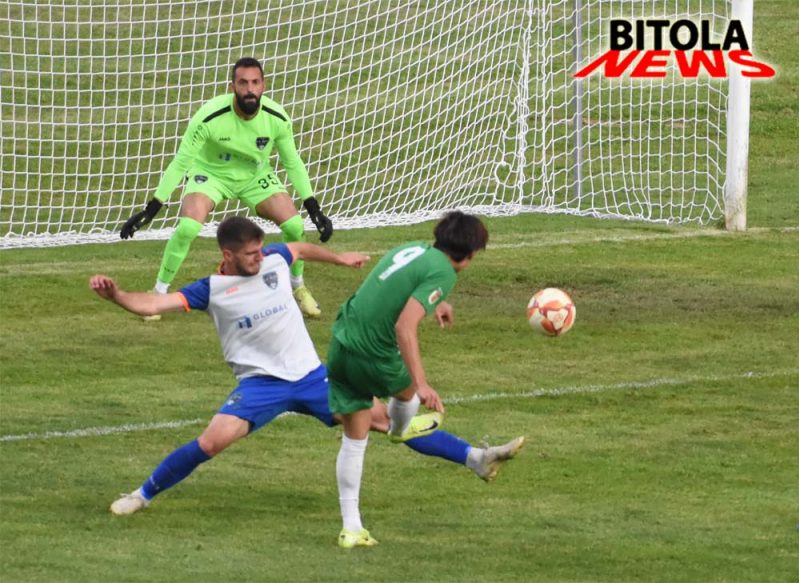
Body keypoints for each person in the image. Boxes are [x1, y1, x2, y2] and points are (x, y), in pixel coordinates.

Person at [91, 217, 523, 518]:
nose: (260, 258)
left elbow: (297, 248)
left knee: (386, 421)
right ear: (228, 255)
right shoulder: (212, 289)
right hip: (261, 385)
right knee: (211, 442)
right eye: (251, 254)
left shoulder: (274, 260)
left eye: (261, 250)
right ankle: (142, 494)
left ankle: (476, 458)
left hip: (313, 376)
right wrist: (119, 296)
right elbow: (154, 304)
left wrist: (338, 259)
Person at [328, 210, 523, 549]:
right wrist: (421, 383)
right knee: (407, 395)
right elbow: (404, 327)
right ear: (470, 254)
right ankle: (400, 431)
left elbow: (398, 286)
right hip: (373, 353)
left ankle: (352, 528)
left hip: (341, 344)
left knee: (355, 438)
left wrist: (437, 301)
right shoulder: (445, 271)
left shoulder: (414, 248)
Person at [119, 57, 331, 319]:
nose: (250, 89)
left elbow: (292, 162)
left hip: (254, 176)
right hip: (210, 174)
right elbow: (181, 162)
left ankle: (297, 287)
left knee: (295, 226)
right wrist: (152, 208)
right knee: (188, 227)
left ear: (263, 86)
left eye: (255, 82)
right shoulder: (209, 116)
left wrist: (313, 207)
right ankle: (159, 293)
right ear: (232, 87)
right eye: (243, 83)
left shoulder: (276, 118)